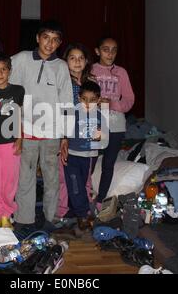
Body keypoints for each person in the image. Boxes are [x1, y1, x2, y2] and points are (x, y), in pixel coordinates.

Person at [0, 20, 73, 232]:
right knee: (24, 179)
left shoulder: (61, 66)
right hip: (25, 130)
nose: (49, 44)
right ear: (37, 38)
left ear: (59, 43)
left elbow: (67, 102)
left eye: (55, 40)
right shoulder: (22, 59)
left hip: (52, 133)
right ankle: (24, 220)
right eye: (46, 38)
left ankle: (50, 219)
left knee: (52, 179)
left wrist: (65, 136)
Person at [92, 37, 135, 209]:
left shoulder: (121, 72)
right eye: (105, 49)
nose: (110, 53)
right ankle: (87, 193)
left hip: (116, 124)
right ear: (97, 51)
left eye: (114, 50)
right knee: (90, 161)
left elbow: (130, 100)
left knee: (108, 164)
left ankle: (101, 200)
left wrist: (113, 104)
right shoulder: (91, 70)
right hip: (96, 124)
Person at [0, 52, 24, 230]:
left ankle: (6, 216)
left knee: (9, 182)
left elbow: (19, 115)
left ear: (9, 71)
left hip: (10, 144)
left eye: (3, 70)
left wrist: (20, 138)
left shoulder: (18, 90)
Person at [56, 43, 95, 220]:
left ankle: (85, 212)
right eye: (72, 58)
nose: (77, 62)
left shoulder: (92, 83)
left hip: (87, 139)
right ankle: (62, 211)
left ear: (86, 61)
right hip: (67, 136)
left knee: (85, 177)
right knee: (65, 177)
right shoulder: (63, 82)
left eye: (81, 58)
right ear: (66, 61)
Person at [64, 81, 106, 230]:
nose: (88, 103)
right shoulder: (72, 113)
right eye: (84, 99)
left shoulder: (100, 117)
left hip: (88, 157)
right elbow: (65, 133)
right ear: (79, 98)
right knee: (74, 185)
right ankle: (83, 214)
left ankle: (83, 213)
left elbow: (98, 140)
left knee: (82, 185)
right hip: (72, 155)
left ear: (99, 100)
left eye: (93, 100)